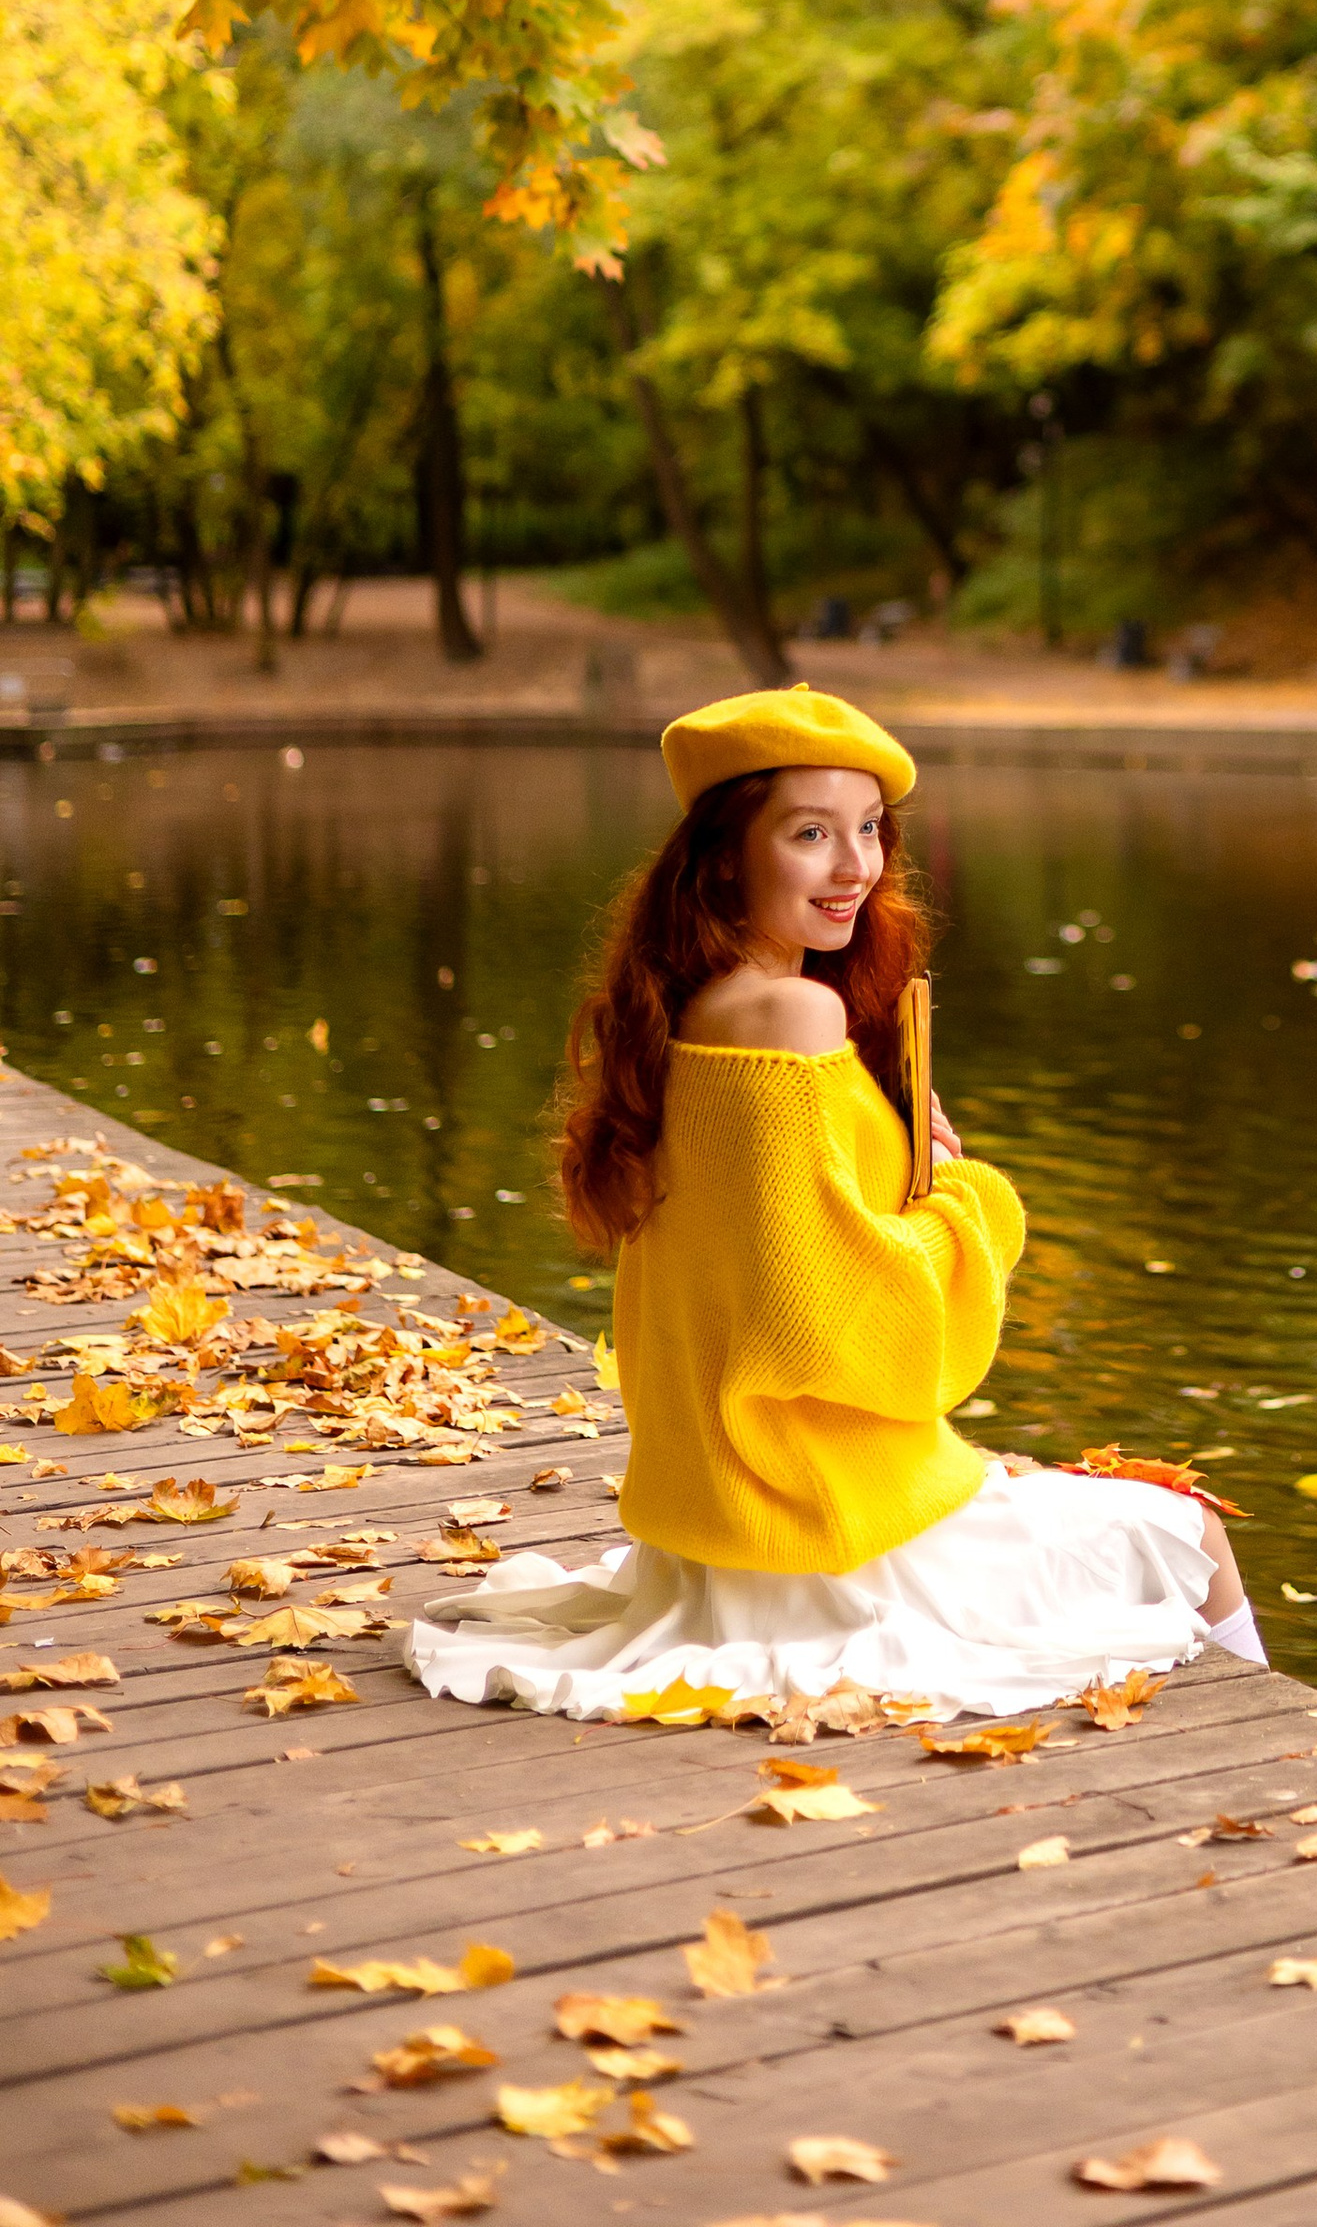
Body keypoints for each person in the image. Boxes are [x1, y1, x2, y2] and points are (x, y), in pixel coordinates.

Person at [406, 685, 1263, 1720]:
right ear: (726, 854)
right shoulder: (791, 1012)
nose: (854, 867)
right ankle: (1268, 1734)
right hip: (822, 1528)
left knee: (1122, 1514)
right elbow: (822, 1310)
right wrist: (968, 1195)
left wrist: (904, 1144)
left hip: (733, 1514)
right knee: (1184, 1527)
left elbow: (781, 1261)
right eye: (810, 833)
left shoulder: (695, 1007)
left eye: (867, 831)